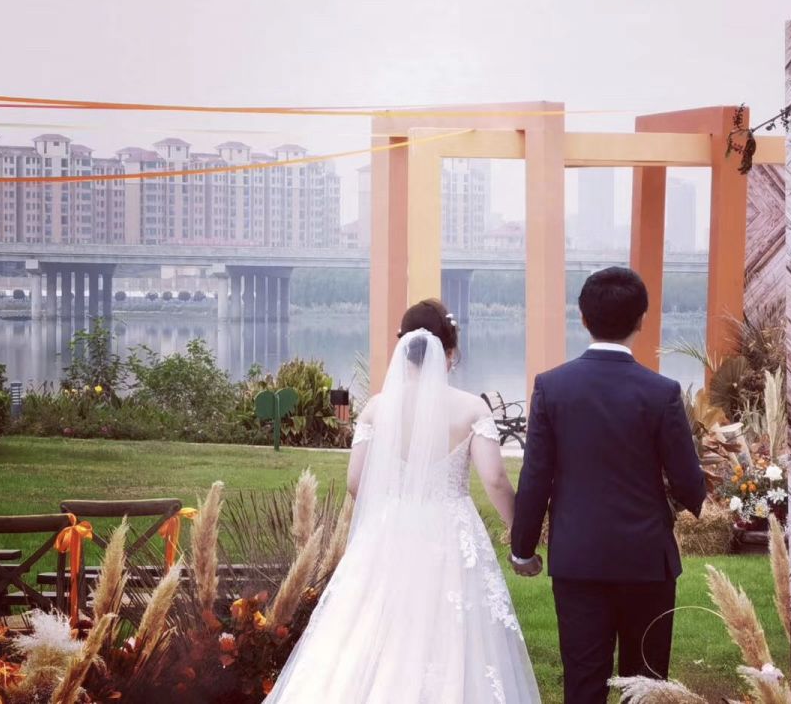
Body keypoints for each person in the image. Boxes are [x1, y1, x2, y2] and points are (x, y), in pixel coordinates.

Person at [264, 298, 541, 704]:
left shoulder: (376, 409)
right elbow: (496, 480)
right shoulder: (470, 408)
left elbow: (356, 482)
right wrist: (520, 533)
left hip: (390, 527)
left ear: (404, 346)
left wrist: (391, 506)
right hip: (449, 528)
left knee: (374, 623)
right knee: (450, 628)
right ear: (450, 351)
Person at [510, 267, 706, 704]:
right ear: (641, 320)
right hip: (647, 561)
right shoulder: (662, 391)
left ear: (582, 318)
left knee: (583, 682)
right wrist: (690, 498)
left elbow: (535, 476)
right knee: (647, 685)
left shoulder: (551, 387)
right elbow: (689, 483)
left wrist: (523, 548)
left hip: (578, 559)